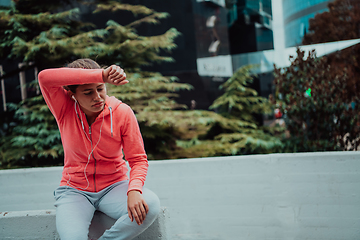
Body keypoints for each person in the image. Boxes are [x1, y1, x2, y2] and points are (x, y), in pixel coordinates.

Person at [38, 58, 160, 240]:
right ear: (72, 95)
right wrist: (102, 74)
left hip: (114, 186)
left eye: (100, 88)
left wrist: (134, 190)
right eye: (87, 92)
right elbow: (44, 77)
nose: (97, 97)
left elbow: (138, 160)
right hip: (75, 190)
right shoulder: (64, 108)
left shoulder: (122, 112)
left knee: (149, 205)